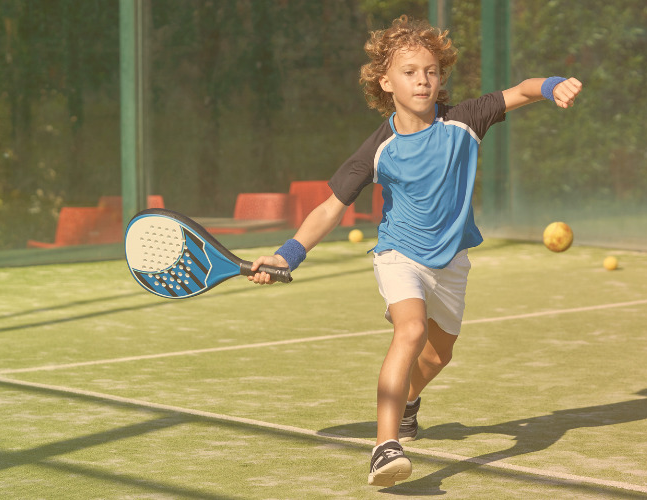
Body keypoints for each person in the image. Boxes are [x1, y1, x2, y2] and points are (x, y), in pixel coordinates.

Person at [248, 15, 582, 487]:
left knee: (437, 356)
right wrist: (288, 255)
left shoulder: (465, 121)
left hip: (452, 262)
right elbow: (329, 208)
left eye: (430, 71)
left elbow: (523, 90)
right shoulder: (376, 150)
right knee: (408, 331)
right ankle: (385, 447)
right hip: (400, 255)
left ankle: (406, 403)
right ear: (386, 82)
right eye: (409, 72)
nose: (422, 79)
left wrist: (553, 86)